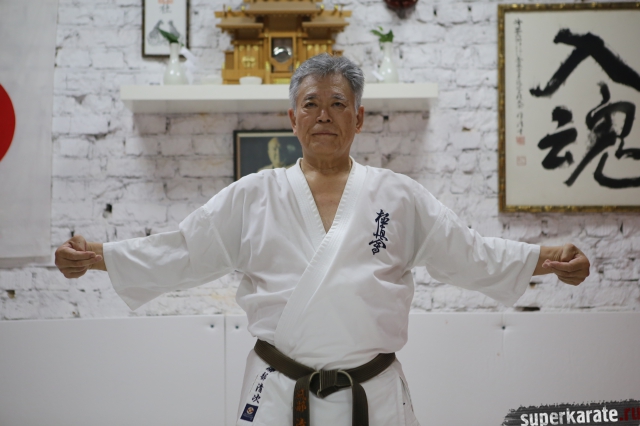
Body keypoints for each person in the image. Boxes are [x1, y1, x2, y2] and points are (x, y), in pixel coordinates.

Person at [55, 54, 590, 426]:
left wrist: (545, 258)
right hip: (277, 392)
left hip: (374, 396)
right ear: (293, 119)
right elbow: (184, 248)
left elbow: (467, 251)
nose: (324, 116)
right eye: (311, 104)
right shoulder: (254, 195)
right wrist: (97, 257)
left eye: (338, 104)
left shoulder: (397, 195)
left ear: (359, 117)